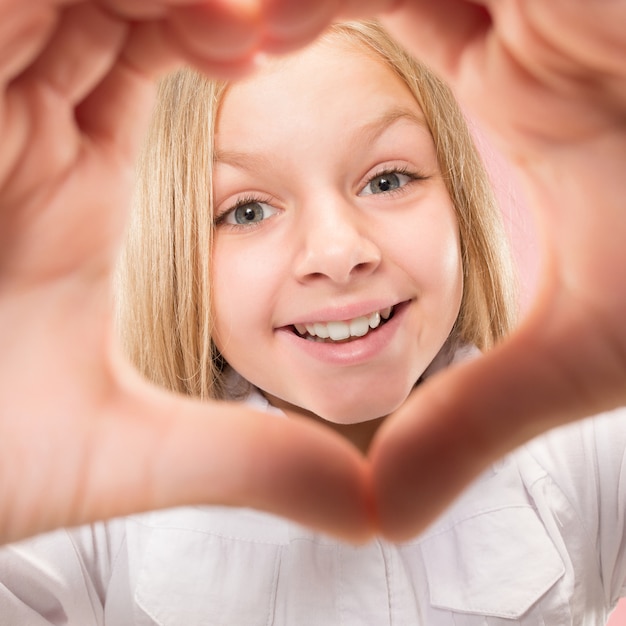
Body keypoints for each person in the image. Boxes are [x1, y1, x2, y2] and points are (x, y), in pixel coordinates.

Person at [2, 15, 626, 625]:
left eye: (387, 180)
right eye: (246, 212)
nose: (338, 252)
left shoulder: (579, 449)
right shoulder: (103, 499)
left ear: (459, 201)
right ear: (177, 253)